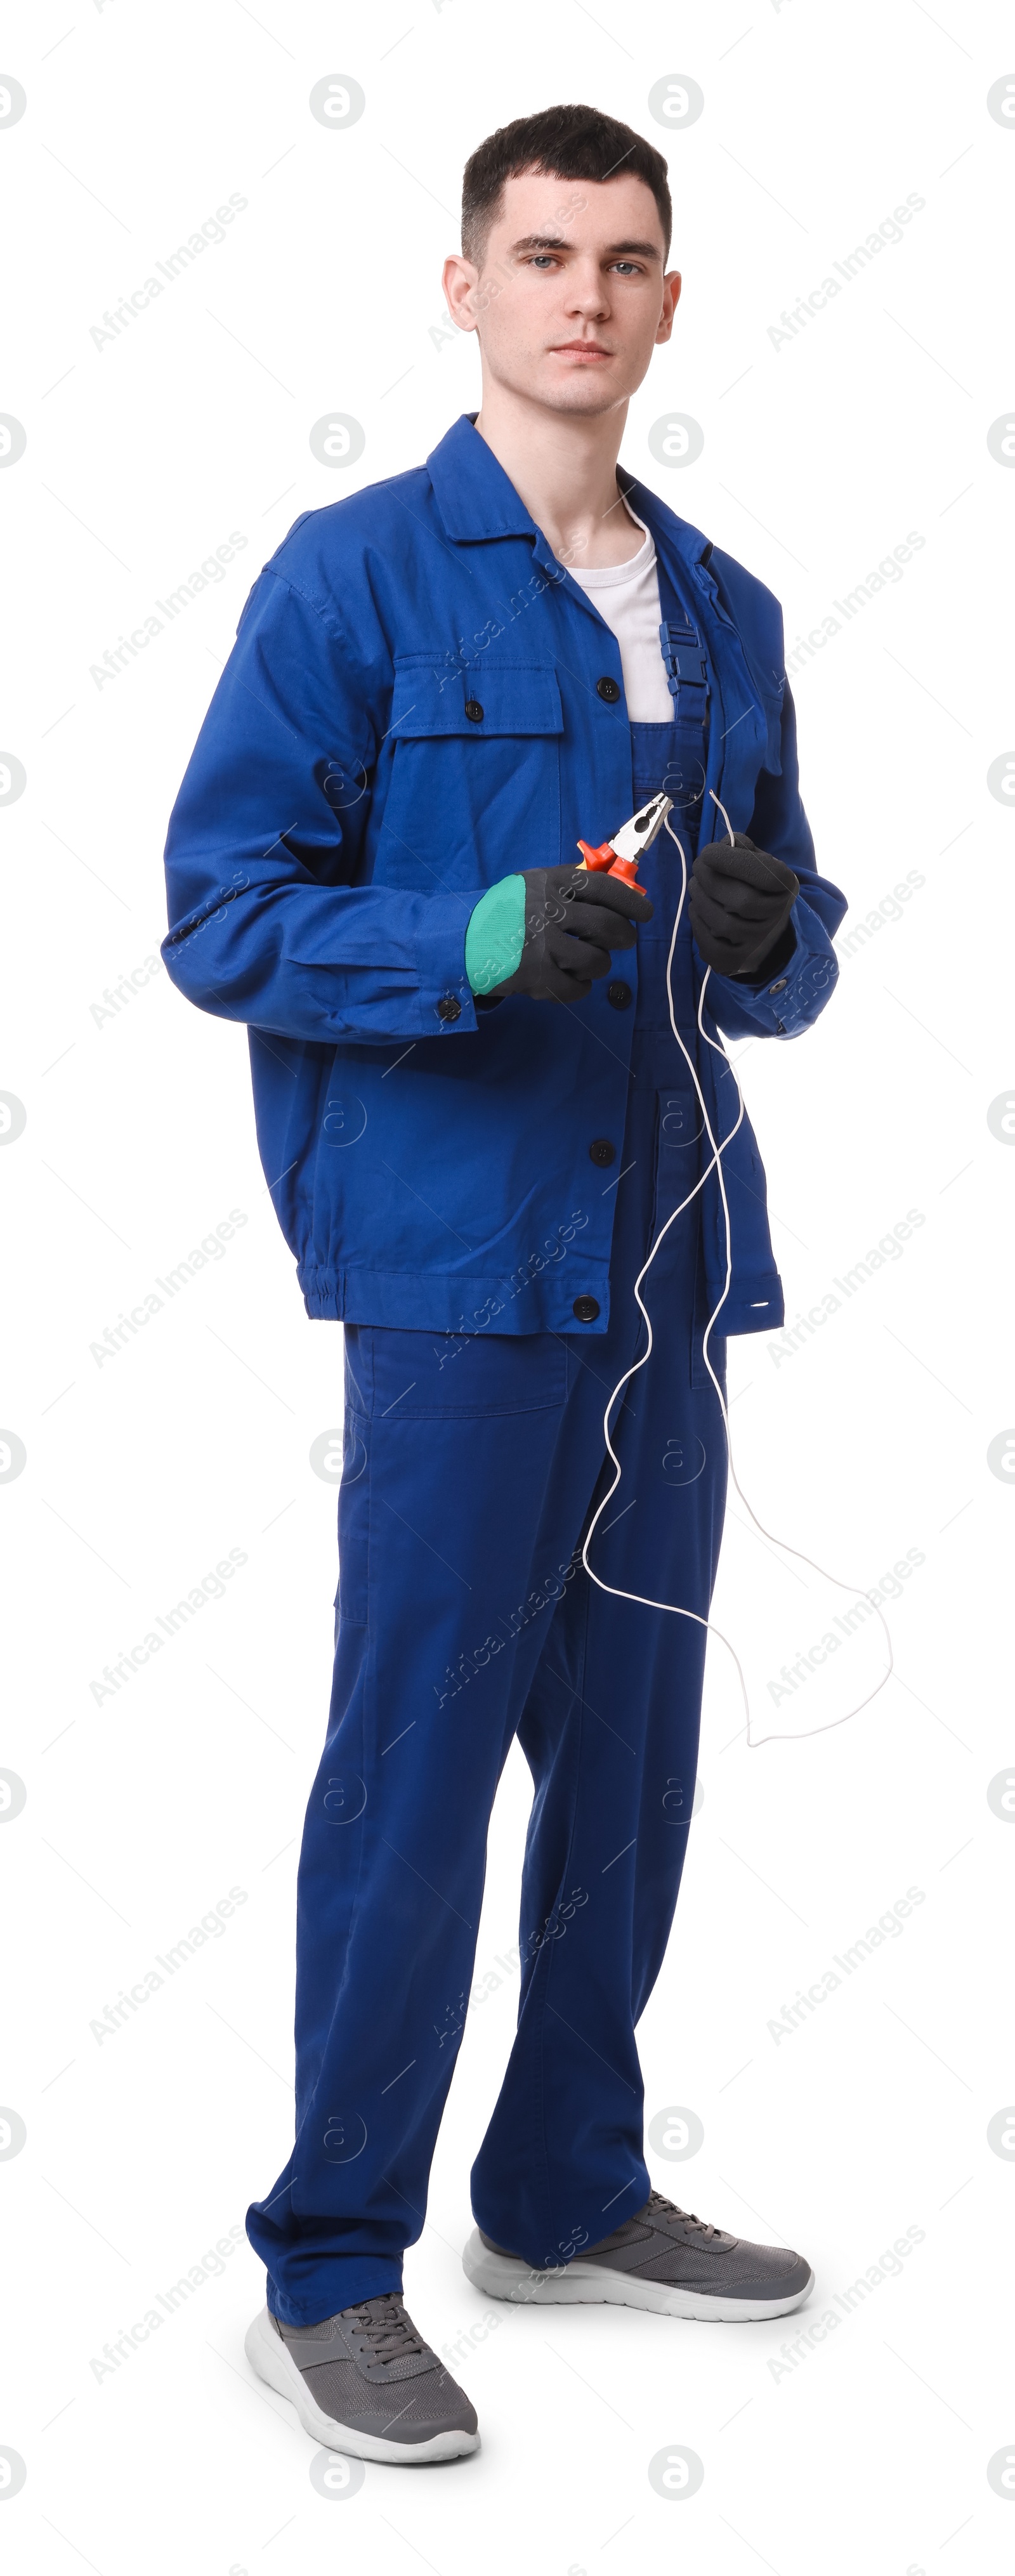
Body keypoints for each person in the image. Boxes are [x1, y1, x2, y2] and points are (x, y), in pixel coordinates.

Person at [162, 103, 846, 2467]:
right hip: (458, 1286)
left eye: (627, 257)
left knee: (633, 1772)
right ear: (464, 288)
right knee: (417, 1769)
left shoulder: (730, 609)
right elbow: (219, 912)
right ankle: (332, 2261)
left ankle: (561, 2193)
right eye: (540, 251)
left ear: (671, 300)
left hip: (663, 1280)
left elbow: (799, 957)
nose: (585, 291)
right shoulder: (353, 578)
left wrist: (776, 939)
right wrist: (459, 936)